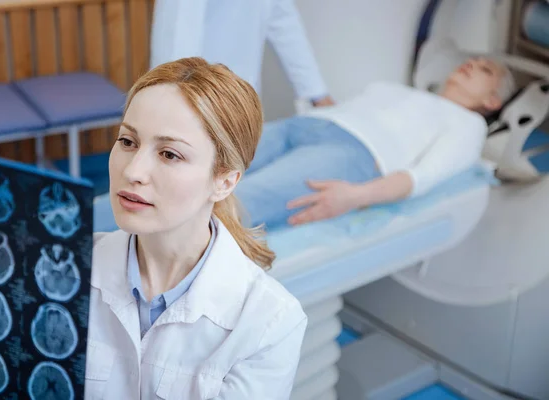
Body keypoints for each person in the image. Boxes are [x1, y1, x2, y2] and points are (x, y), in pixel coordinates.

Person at [86, 58, 307, 399]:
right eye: (128, 142)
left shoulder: (269, 322)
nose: (134, 171)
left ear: (224, 181)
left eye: (170, 154)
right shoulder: (66, 271)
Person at [234, 57, 517, 229]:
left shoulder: (469, 125)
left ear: (492, 101)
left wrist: (354, 196)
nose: (471, 63)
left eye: (485, 69)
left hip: (351, 154)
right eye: (473, 60)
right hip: (305, 123)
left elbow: (422, 177)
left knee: (241, 200)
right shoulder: (392, 88)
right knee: (208, 162)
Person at [150, 0, 335, 107]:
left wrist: (317, 93)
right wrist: (175, 95)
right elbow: (176, 31)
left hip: (241, 91)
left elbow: (283, 19)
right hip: (194, 91)